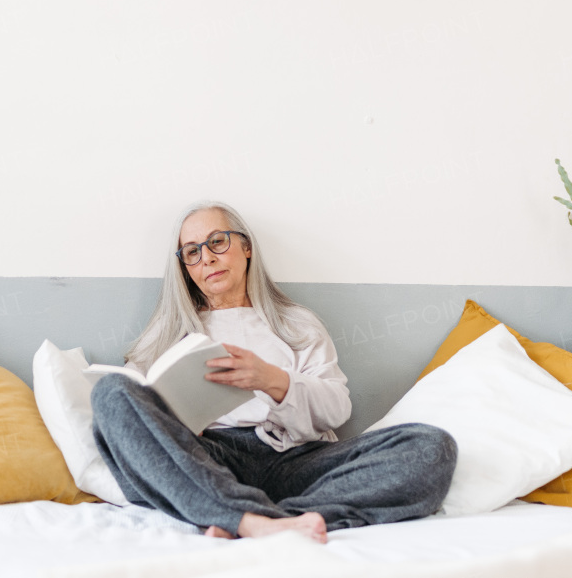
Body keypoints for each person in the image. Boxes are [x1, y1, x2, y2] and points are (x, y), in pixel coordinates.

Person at [90, 201, 457, 543]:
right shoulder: (165, 334)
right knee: (110, 394)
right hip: (208, 461)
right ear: (184, 266)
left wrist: (273, 381)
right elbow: (134, 414)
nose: (207, 259)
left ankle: (262, 519)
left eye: (218, 242)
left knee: (431, 447)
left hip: (294, 460)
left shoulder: (296, 323)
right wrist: (176, 422)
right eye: (193, 252)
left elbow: (337, 409)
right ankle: (249, 518)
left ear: (246, 247)